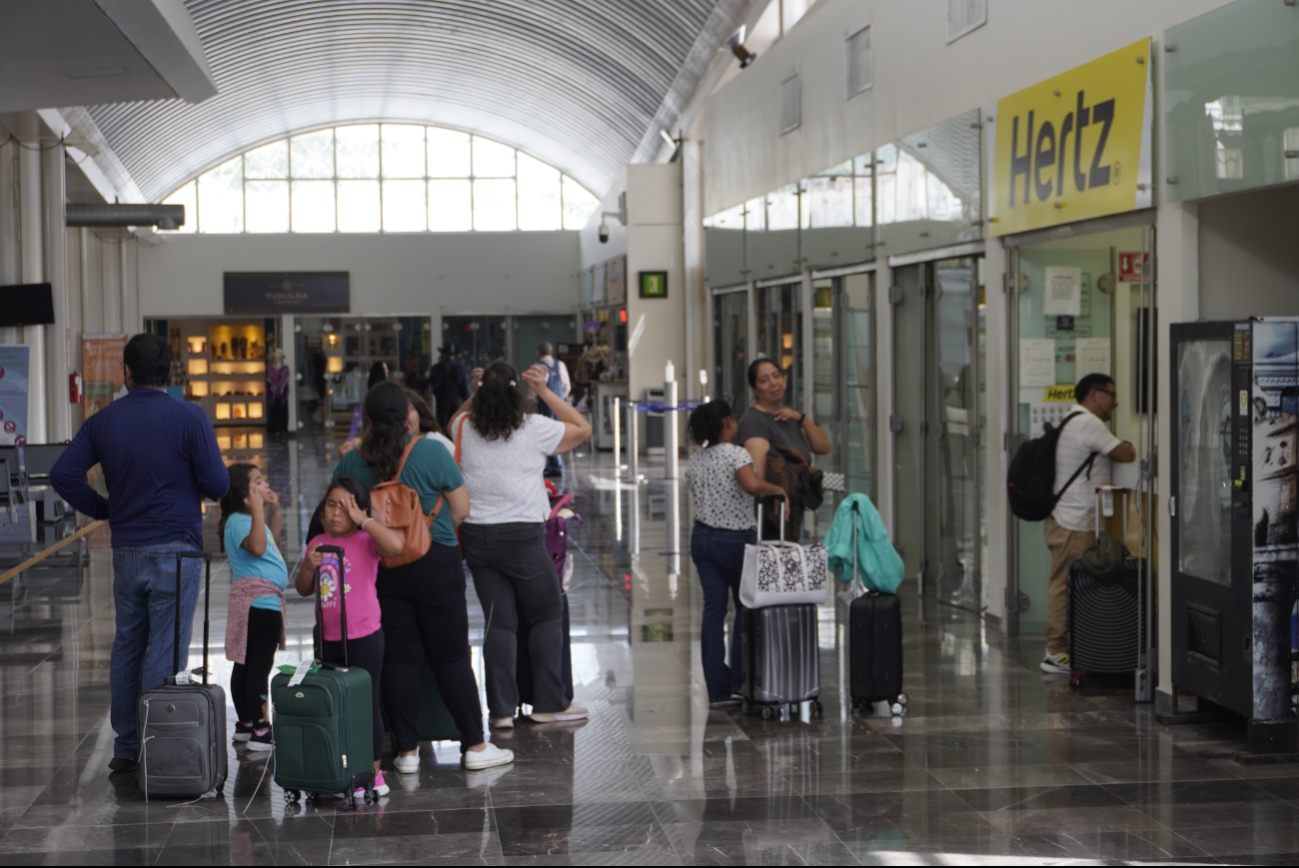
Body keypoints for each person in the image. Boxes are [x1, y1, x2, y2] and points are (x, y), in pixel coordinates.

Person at [50, 332, 229, 774]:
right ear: (168, 372)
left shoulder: (102, 421)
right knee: (166, 647)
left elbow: (63, 475)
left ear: (126, 372)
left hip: (127, 550)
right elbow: (219, 485)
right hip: (177, 548)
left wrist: (105, 509)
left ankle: (127, 746)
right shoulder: (189, 418)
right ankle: (156, 745)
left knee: (128, 643)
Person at [334, 381, 513, 772]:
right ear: (406, 414)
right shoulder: (431, 450)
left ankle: (406, 753)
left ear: (368, 416)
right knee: (450, 656)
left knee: (399, 658)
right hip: (436, 563)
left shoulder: (352, 462)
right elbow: (462, 508)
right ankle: (475, 747)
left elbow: (338, 518)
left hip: (381, 568)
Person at [453, 360, 591, 727]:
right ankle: (548, 703)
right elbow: (582, 427)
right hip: (524, 537)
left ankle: (500, 712)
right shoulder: (534, 427)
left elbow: (456, 417)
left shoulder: (464, 426)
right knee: (547, 614)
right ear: (518, 391)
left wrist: (476, 390)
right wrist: (545, 391)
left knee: (499, 624)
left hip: (479, 537)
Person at [297, 477, 406, 797]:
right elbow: (305, 589)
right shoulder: (317, 541)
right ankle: (338, 767)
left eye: (345, 507)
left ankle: (372, 773)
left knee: (365, 704)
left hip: (364, 636)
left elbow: (396, 546)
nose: (335, 513)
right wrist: (307, 566)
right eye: (331, 505)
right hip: (328, 639)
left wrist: (365, 520)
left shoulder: (365, 539)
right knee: (335, 703)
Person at [686, 401, 789, 707]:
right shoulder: (735, 453)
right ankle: (738, 682)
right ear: (727, 422)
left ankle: (716, 690)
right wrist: (778, 490)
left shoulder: (697, 460)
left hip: (702, 539)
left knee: (713, 611)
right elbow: (750, 485)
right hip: (734, 542)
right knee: (744, 609)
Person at [1040, 373, 1137, 675]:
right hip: (1075, 522)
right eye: (1111, 394)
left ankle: (1067, 647)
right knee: (1063, 584)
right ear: (1095, 395)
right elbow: (1126, 453)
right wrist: (1128, 444)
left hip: (1066, 518)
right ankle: (1056, 651)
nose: (1116, 402)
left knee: (1066, 582)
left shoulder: (1073, 419)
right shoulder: (1088, 423)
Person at [220, 463, 287, 752]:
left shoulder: (246, 519)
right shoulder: (237, 520)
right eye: (257, 481)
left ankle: (246, 724)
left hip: (261, 601)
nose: (265, 484)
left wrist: (275, 510)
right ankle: (260, 730)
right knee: (257, 666)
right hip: (258, 603)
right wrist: (258, 510)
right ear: (243, 494)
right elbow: (258, 548)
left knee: (247, 664)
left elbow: (270, 540)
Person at [736, 358, 831, 539]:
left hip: (794, 508)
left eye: (776, 376)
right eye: (764, 380)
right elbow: (760, 475)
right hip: (773, 514)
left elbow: (823, 447)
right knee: (777, 564)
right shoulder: (754, 421)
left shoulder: (789, 416)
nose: (773, 383)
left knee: (790, 563)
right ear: (754, 389)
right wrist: (779, 493)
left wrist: (801, 419)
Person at [535, 342, 572, 477]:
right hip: (559, 405)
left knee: (546, 434)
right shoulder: (560, 365)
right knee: (558, 433)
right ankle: (556, 465)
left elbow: (534, 389)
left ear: (539, 352)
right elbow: (566, 386)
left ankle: (554, 465)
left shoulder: (538, 367)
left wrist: (531, 400)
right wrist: (560, 399)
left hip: (544, 405)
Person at [430, 345, 471, 430]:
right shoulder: (461, 369)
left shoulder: (436, 368)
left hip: (442, 403)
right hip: (457, 403)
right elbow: (466, 390)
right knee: (457, 427)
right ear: (454, 356)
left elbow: (434, 385)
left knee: (442, 427)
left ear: (442, 355)